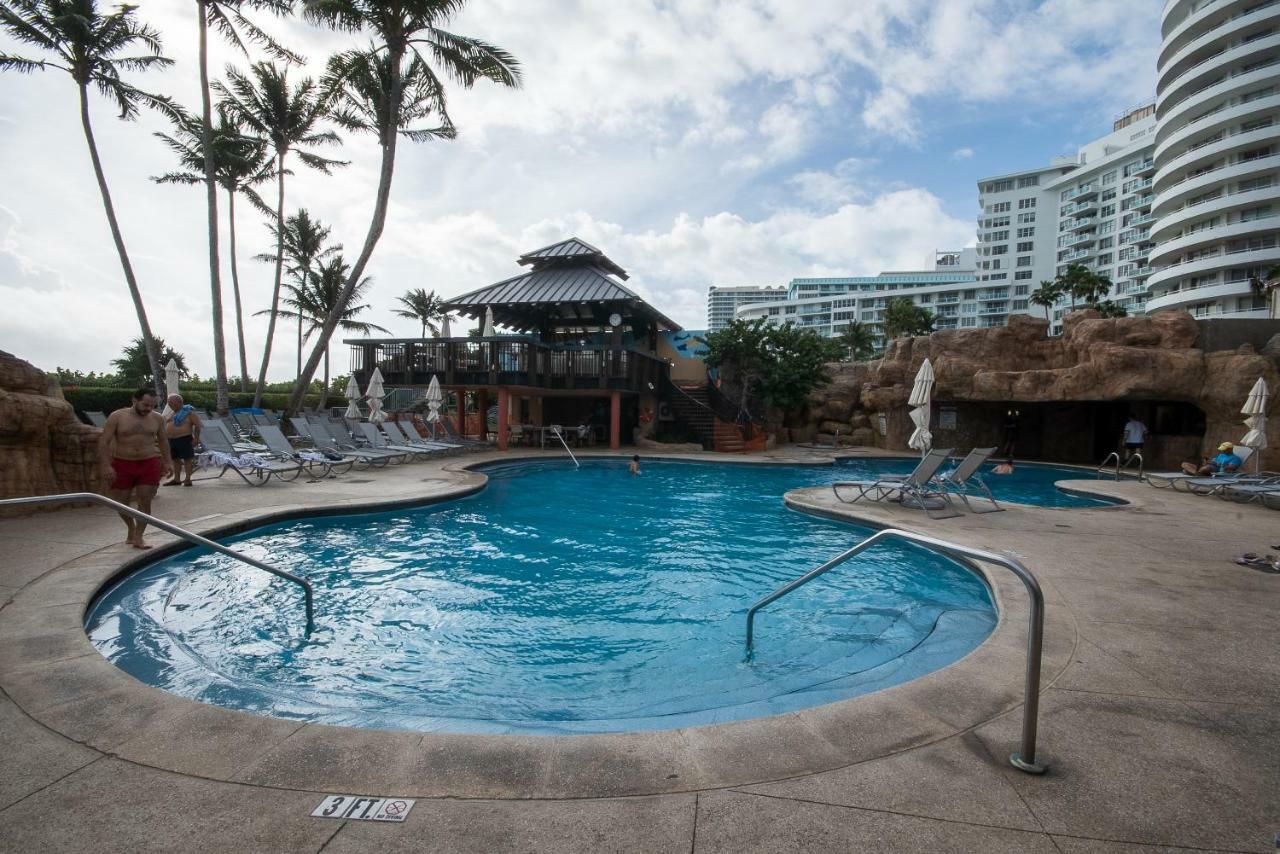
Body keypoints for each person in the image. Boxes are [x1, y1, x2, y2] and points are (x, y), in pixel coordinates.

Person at [98, 387, 173, 549]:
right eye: (145, 405)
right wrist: (105, 465)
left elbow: (163, 441)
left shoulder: (158, 419)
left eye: (152, 406)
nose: (149, 409)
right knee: (121, 502)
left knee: (145, 501)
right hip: (123, 462)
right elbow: (104, 441)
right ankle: (131, 528)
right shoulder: (117, 417)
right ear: (134, 401)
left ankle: (139, 536)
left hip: (148, 462)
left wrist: (168, 461)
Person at [163, 394, 202, 486]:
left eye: (171, 402)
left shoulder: (189, 412)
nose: (169, 405)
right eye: (169, 403)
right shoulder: (172, 413)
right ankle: (177, 479)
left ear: (179, 402)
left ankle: (188, 479)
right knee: (175, 460)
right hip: (171, 440)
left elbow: (198, 425)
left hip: (184, 438)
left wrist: (196, 438)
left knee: (187, 459)